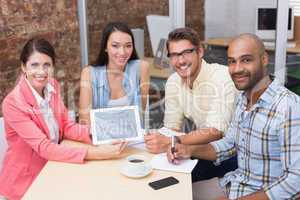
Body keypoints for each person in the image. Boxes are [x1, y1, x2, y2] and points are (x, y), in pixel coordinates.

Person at [167, 33, 300, 199]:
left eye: (246, 60)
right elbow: (229, 144)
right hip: (235, 183)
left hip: (263, 194)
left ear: (264, 59)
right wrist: (189, 150)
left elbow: (296, 181)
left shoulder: (289, 107)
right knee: (174, 192)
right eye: (232, 61)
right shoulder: (243, 99)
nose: (237, 69)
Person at [0, 38, 127, 200]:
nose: (41, 71)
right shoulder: (13, 103)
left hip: (53, 167)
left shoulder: (52, 85)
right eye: (34, 65)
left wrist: (100, 132)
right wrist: (99, 153)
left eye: (47, 65)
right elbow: (44, 147)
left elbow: (66, 126)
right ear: (23, 67)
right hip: (25, 182)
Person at [144, 27, 238, 182]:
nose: (180, 61)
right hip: (201, 148)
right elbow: (171, 128)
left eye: (186, 52)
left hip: (232, 153)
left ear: (200, 52)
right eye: (174, 55)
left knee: (169, 180)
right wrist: (161, 140)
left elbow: (215, 132)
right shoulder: (173, 81)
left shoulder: (222, 78)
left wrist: (171, 141)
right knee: (152, 170)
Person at [79, 21, 150, 125]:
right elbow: (84, 122)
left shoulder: (141, 68)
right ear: (105, 47)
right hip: (102, 139)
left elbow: (141, 113)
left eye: (128, 46)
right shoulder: (89, 73)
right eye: (115, 46)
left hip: (132, 138)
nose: (122, 52)